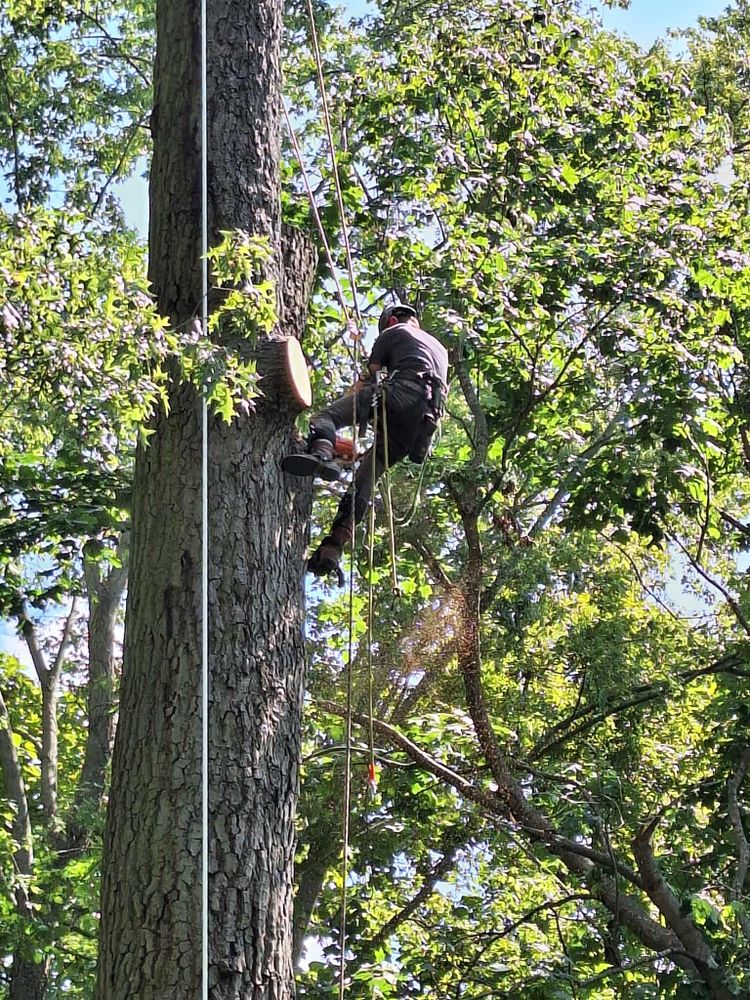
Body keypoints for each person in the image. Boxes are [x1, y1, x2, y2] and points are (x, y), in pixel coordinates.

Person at [282, 303, 449, 578]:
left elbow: (373, 375)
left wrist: (361, 386)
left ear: (392, 320)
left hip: (398, 395)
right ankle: (334, 545)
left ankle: (322, 453)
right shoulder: (440, 351)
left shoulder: (395, 330)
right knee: (365, 480)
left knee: (325, 419)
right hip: (419, 428)